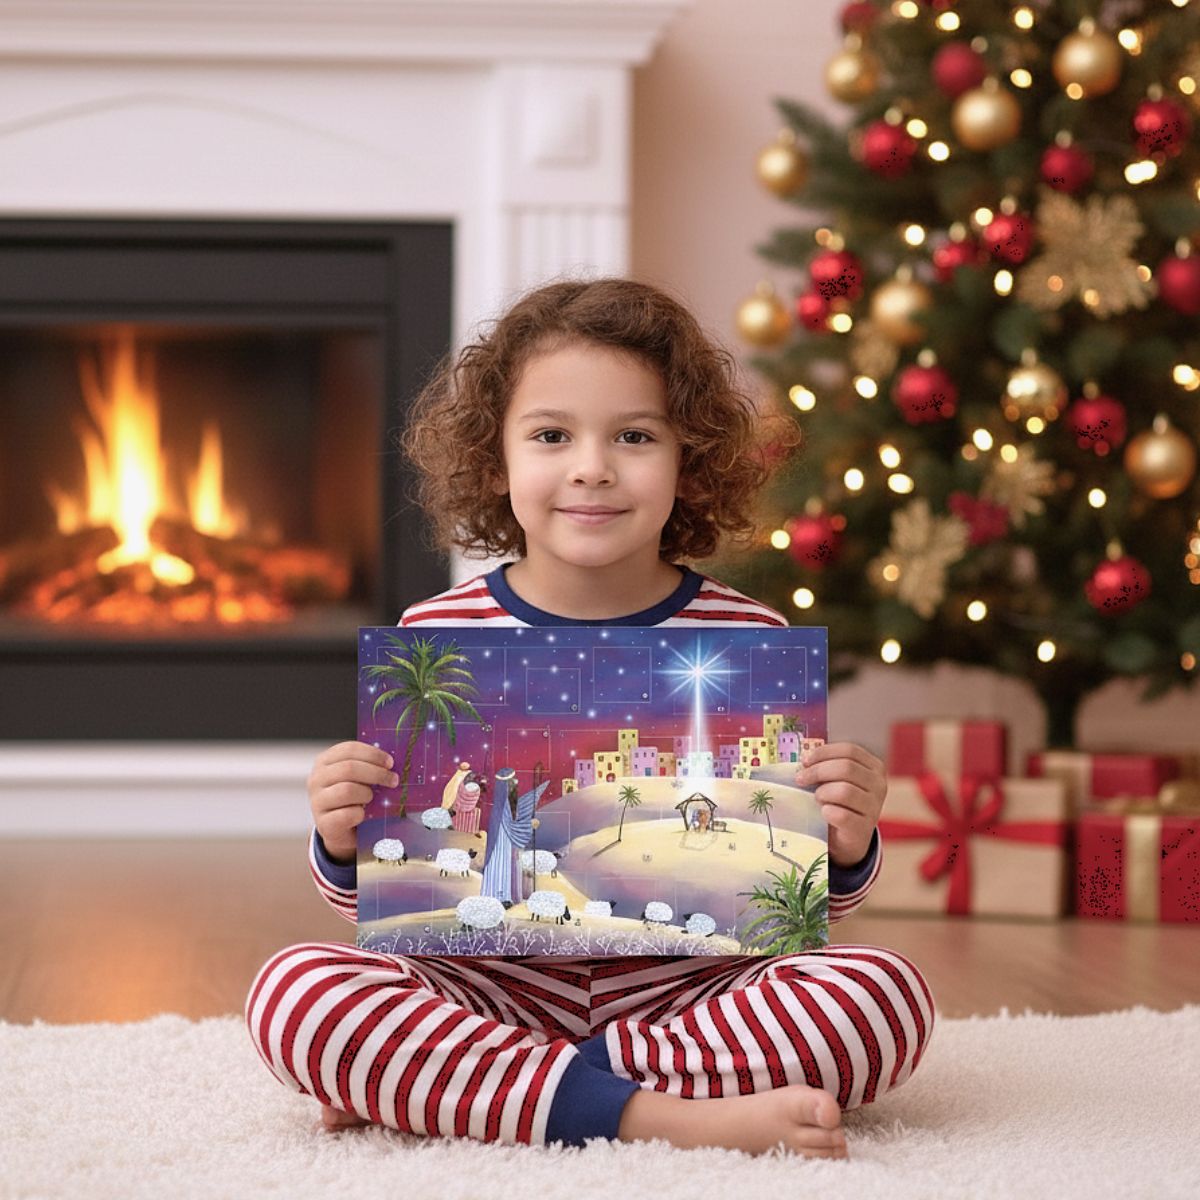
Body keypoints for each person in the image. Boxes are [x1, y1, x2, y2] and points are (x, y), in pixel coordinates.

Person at [245, 277, 934, 1160]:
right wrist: (341, 836)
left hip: (691, 1000)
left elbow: (804, 907)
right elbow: (378, 905)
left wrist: (847, 842)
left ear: (691, 459)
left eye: (635, 436)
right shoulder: (435, 637)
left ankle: (469, 1089)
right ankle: (661, 1117)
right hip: (484, 989)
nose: (592, 467)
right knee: (295, 991)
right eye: (551, 435)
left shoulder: (749, 638)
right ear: (495, 460)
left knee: (882, 995)